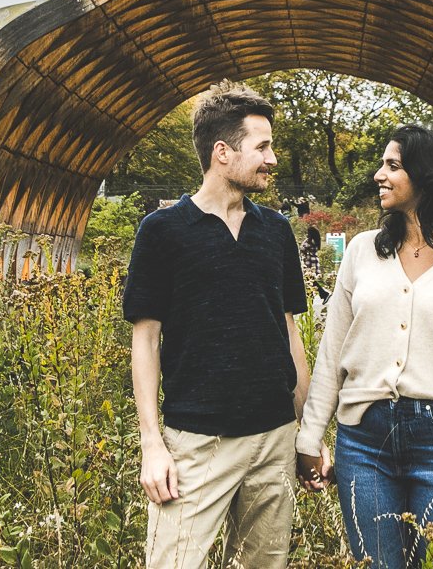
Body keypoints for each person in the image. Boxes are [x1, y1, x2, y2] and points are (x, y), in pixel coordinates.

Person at [296, 124, 433, 569]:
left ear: (428, 175)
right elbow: (332, 354)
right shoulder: (362, 252)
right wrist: (309, 435)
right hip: (364, 442)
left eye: (392, 166)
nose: (379, 174)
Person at [123, 81, 321, 569]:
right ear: (222, 153)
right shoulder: (163, 231)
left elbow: (289, 335)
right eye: (263, 146)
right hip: (197, 442)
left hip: (274, 438)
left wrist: (308, 434)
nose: (273, 159)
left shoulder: (275, 232)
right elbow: (145, 341)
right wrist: (152, 444)